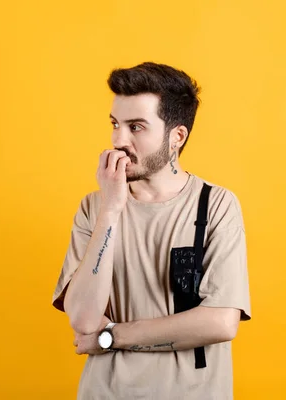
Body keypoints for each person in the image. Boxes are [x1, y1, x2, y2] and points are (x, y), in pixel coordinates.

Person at [51, 62, 251, 399]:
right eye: (115, 125)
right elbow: (84, 321)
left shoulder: (215, 205)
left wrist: (112, 336)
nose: (119, 140)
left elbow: (220, 323)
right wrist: (111, 210)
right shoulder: (94, 208)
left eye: (136, 127)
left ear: (177, 137)